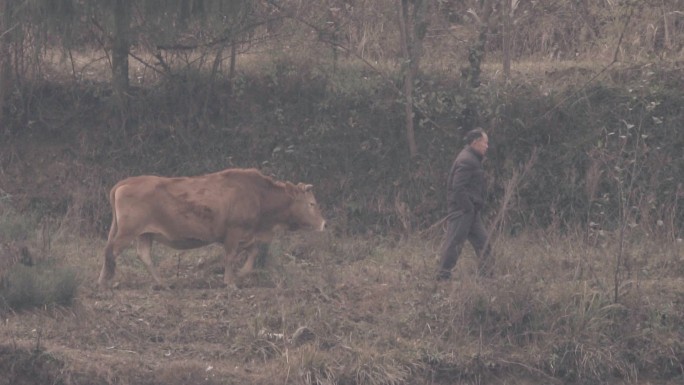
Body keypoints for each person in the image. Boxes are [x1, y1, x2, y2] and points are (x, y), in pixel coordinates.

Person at [437, 128, 493, 280]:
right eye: (485, 143)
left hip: (470, 211)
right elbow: (458, 187)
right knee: (455, 244)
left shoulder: (472, 158)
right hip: (463, 210)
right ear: (475, 143)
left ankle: (487, 277)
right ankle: (442, 277)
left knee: (484, 243)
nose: (487, 146)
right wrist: (467, 208)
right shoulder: (466, 160)